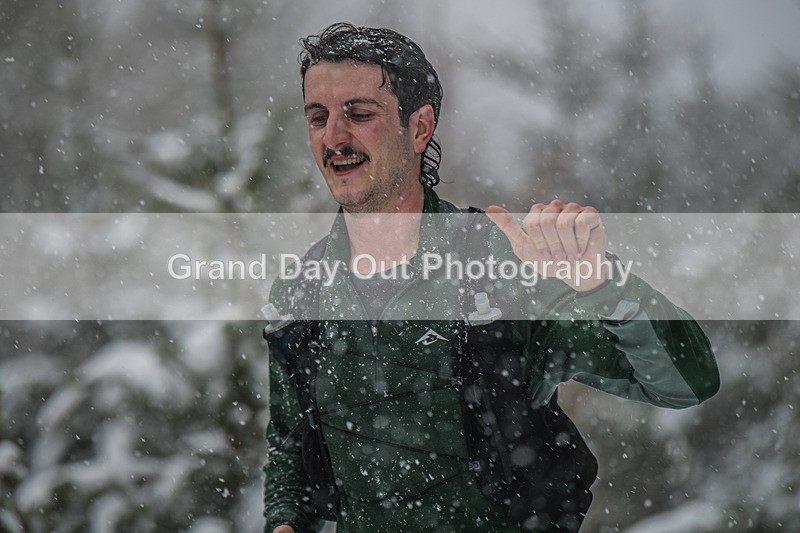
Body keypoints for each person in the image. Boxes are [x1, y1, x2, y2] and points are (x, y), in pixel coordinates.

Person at [262, 22, 719, 533]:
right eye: (318, 117)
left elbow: (685, 383)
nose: (333, 137)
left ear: (419, 128)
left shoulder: (498, 267)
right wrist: (285, 521)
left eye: (360, 114)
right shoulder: (301, 292)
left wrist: (602, 283)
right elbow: (291, 447)